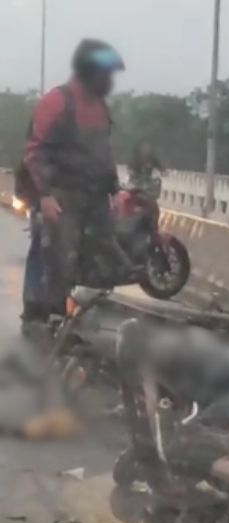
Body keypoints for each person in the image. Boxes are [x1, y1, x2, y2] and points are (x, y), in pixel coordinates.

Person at [18, 39, 130, 330]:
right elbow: (35, 150)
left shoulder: (99, 108)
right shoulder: (57, 101)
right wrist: (44, 196)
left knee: (102, 254)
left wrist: (115, 190)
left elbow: (104, 154)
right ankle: (38, 314)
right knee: (53, 255)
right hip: (59, 194)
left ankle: (82, 315)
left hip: (93, 197)